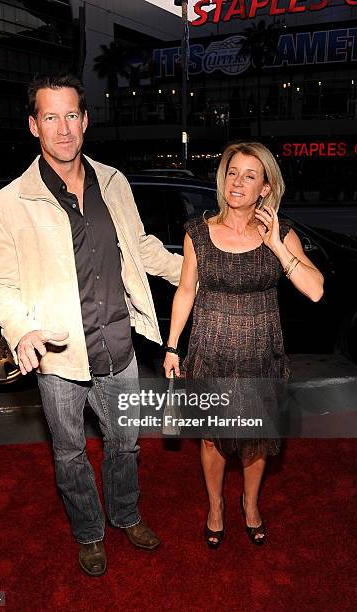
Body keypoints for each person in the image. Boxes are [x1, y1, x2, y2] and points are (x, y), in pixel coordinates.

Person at [0, 74, 182, 576]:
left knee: (126, 443)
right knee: (71, 455)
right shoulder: (8, 203)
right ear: (34, 126)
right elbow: (0, 285)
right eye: (50, 117)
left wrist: (203, 267)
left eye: (71, 114)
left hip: (120, 346)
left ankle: (125, 514)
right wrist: (20, 328)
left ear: (86, 120)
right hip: (59, 357)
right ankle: (89, 533)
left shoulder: (114, 182)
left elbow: (139, 249)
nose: (63, 127)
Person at [163, 141, 324, 547]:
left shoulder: (281, 233)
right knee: (213, 439)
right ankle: (215, 505)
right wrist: (171, 347)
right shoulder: (197, 233)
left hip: (260, 356)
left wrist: (274, 245)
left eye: (250, 176)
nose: (238, 182)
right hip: (211, 354)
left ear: (265, 188)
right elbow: (185, 292)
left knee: (256, 440)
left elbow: (316, 290)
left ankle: (250, 504)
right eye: (232, 172)